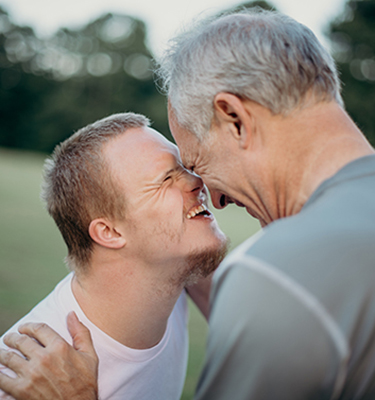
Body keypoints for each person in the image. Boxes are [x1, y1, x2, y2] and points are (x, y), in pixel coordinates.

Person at [1, 7, 375, 400]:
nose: (213, 196)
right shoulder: (22, 374)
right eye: (172, 175)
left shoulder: (277, 277)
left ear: (234, 118)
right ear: (108, 231)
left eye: (195, 163)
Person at [0, 112, 227, 399]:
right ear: (109, 232)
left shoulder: (175, 269)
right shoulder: (31, 379)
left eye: (186, 166)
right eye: (167, 178)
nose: (198, 180)